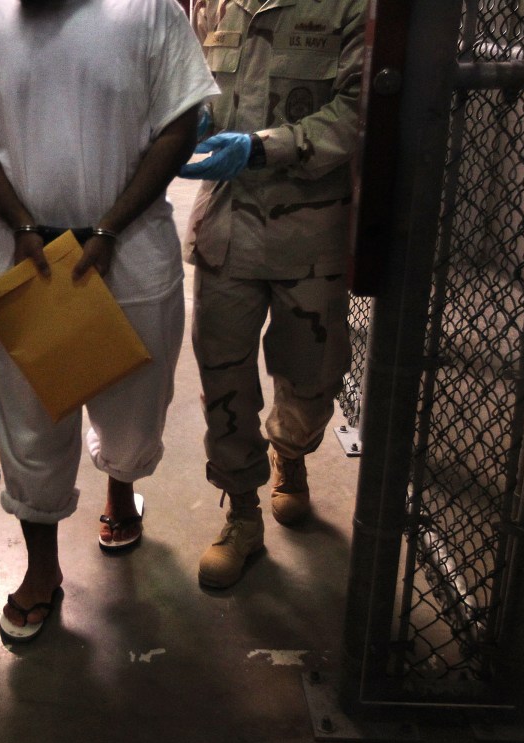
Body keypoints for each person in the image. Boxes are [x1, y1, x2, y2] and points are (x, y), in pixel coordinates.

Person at [0, 0, 218, 642]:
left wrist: (108, 228)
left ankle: (120, 487)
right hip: (26, 258)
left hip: (129, 251)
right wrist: (21, 223)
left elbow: (179, 124)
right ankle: (42, 569)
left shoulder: (149, 10)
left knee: (134, 408)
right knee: (30, 419)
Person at [179, 0, 366, 588]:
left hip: (309, 233)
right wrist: (196, 115)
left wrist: (265, 147)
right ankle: (241, 513)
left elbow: (359, 109)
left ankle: (291, 451)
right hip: (228, 226)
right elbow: (196, 81)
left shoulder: (351, 7)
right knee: (223, 379)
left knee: (311, 376)